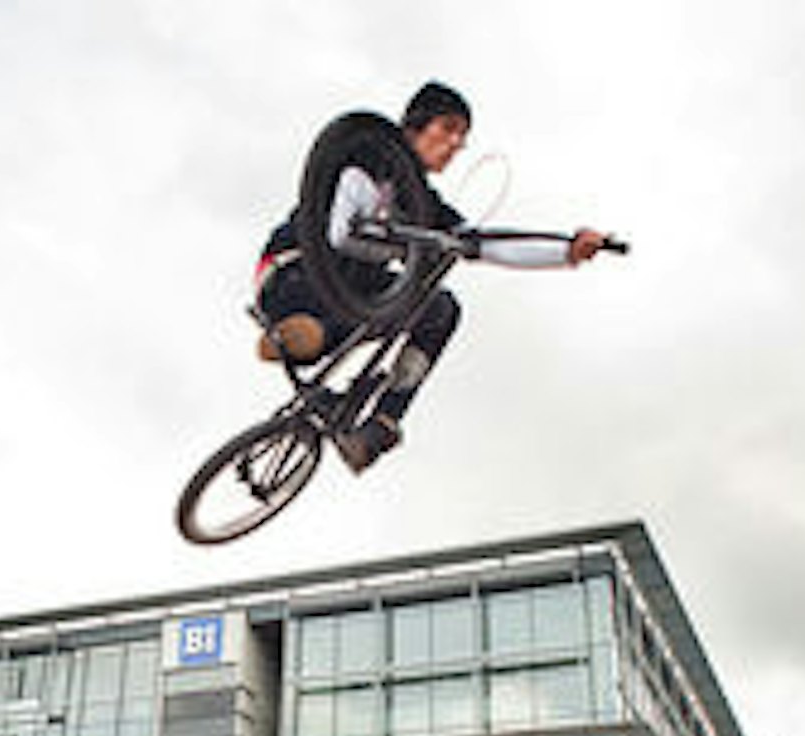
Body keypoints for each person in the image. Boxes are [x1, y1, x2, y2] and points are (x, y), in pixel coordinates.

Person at [256, 80, 611, 474]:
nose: (456, 144)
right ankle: (303, 332)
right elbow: (339, 232)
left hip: (348, 297)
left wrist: (568, 251)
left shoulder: (426, 205)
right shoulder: (364, 153)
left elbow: (487, 245)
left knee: (439, 307)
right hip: (293, 274)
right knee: (383, 279)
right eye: (448, 128)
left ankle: (378, 423)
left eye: (463, 136)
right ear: (415, 125)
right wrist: (409, 246)